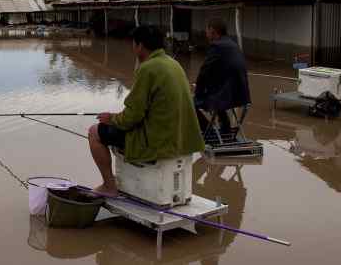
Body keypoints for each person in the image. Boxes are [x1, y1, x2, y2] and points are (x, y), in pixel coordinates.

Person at [88, 25, 205, 196]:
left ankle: (109, 186)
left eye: (133, 44)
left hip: (158, 140)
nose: (132, 48)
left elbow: (132, 117)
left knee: (94, 132)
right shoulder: (174, 64)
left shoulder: (148, 68)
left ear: (140, 46)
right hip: (181, 138)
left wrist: (111, 119)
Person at [194, 19, 251, 135]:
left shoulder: (216, 46)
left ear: (213, 31)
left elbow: (203, 72)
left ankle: (209, 132)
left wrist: (197, 94)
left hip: (227, 96)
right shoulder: (233, 45)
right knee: (217, 94)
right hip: (242, 96)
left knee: (190, 104)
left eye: (207, 31)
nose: (206, 33)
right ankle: (225, 130)